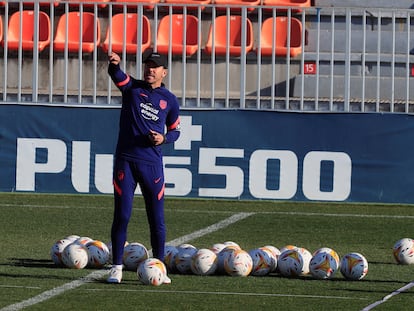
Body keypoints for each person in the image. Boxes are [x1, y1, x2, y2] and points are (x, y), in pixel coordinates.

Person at [106, 52, 181, 284]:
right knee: (122, 215)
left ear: (164, 72)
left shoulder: (170, 100)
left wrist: (163, 138)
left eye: (155, 67)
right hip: (126, 161)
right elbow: (116, 75)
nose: (150, 70)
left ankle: (159, 266)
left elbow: (176, 131)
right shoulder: (132, 88)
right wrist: (114, 64)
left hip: (152, 165)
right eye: (148, 66)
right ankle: (116, 267)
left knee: (156, 219)